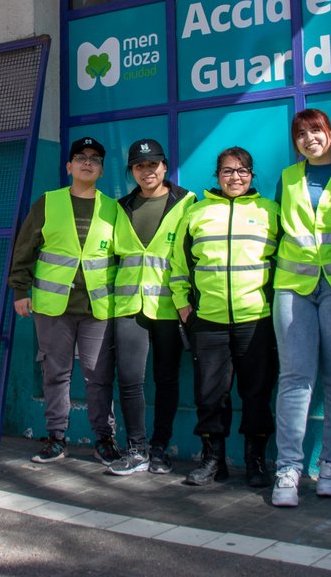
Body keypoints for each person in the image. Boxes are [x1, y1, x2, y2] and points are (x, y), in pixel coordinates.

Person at [8, 136, 120, 465]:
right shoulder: (48, 202)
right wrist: (19, 291)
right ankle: (56, 438)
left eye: (95, 158)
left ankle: (105, 438)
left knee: (98, 375)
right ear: (69, 166)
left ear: (101, 170)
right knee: (55, 373)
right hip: (52, 307)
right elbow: (25, 247)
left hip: (98, 307)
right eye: (81, 157)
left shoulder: (113, 208)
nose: (88, 162)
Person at [171, 146, 279, 487]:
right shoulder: (196, 212)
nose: (236, 177)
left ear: (252, 175)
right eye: (228, 171)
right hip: (209, 320)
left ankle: (255, 461)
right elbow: (178, 265)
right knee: (210, 393)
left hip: (257, 318)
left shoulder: (270, 211)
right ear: (216, 176)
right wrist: (183, 305)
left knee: (257, 392)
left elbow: (285, 263)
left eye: (243, 170)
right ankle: (213, 460)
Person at [270, 109, 331, 508]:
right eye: (301, 133)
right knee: (295, 377)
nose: (309, 138)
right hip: (293, 286)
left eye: (316, 131)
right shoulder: (288, 178)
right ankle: (288, 468)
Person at [107, 138, 196, 475]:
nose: (147, 171)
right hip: (128, 305)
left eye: (153, 164)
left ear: (165, 166)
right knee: (129, 380)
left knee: (167, 378)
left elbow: (193, 256)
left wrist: (189, 301)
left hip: (170, 306)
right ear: (131, 170)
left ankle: (159, 449)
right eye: (139, 166)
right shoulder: (120, 207)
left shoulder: (187, 202)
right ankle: (137, 449)